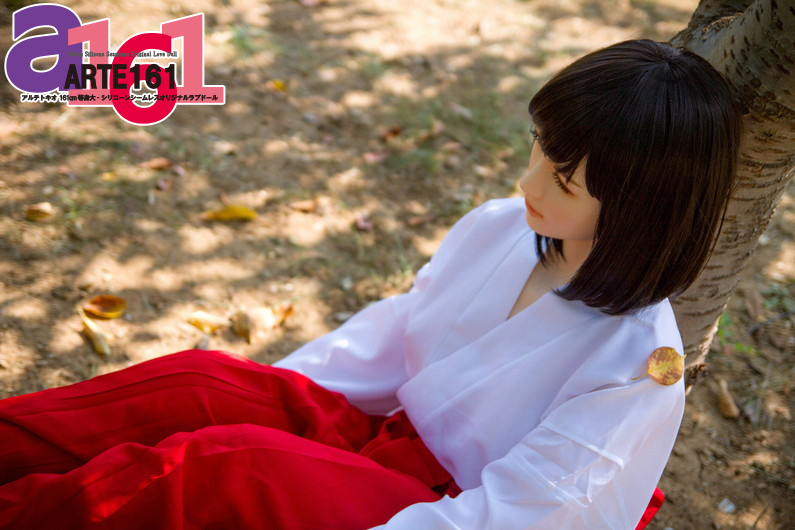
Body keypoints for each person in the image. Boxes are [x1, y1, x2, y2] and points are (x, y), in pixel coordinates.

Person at [0, 39, 741, 529]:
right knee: (192, 387)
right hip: (382, 433)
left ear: (642, 207)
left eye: (565, 182)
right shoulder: (504, 226)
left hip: (446, 508)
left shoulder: (636, 365)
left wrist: (282, 453)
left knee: (223, 469)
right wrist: (275, 399)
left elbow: (533, 513)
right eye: (538, 151)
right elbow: (401, 328)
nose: (529, 184)